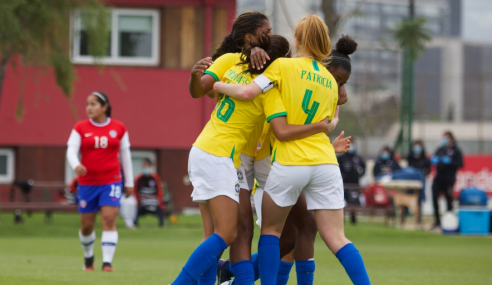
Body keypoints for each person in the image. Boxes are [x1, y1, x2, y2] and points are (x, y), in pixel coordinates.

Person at [214, 15, 370, 285]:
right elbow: (330, 123)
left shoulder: (283, 67)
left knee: (272, 232)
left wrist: (216, 85)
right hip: (325, 164)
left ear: (297, 40)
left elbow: (250, 92)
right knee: (336, 237)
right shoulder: (330, 80)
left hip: (291, 162)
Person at [172, 28, 335, 285]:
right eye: (265, 30)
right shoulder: (267, 88)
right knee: (231, 232)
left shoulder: (234, 65)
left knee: (225, 233)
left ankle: (231, 278)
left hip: (218, 152)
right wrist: (322, 126)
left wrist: (217, 84)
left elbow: (214, 90)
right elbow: (279, 124)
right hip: (228, 156)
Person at [66, 91, 134, 272]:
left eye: (93, 104)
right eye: (87, 104)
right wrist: (76, 164)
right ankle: (88, 258)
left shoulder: (119, 127)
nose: (89, 108)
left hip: (111, 181)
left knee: (109, 219)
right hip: (87, 183)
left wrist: (129, 182)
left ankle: (107, 263)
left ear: (105, 107)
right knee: (87, 225)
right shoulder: (80, 127)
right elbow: (71, 150)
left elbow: (126, 155)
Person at [430, 131, 463, 230]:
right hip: (438, 178)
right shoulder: (440, 149)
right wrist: (434, 160)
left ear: (451, 139)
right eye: (443, 138)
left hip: (449, 179)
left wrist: (450, 162)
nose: (444, 140)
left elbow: (460, 164)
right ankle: (437, 221)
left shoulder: (456, 150)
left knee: (449, 200)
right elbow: (433, 159)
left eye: (446, 138)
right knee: (434, 197)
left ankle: (449, 222)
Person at [338, 137, 366, 224]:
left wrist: (360, 174)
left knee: (353, 202)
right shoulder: (341, 158)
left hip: (355, 184)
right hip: (344, 184)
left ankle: (353, 220)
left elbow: (363, 169)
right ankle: (341, 220)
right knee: (342, 203)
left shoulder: (358, 158)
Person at [134, 158, 165, 227]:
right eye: (144, 166)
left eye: (147, 166)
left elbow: (159, 191)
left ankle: (161, 224)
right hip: (143, 201)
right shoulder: (139, 178)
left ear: (150, 167)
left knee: (159, 211)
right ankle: (134, 223)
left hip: (153, 201)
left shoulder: (155, 177)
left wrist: (159, 202)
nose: (145, 168)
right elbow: (135, 191)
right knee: (138, 212)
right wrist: (138, 202)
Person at [406, 140, 430, 224]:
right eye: (415, 146)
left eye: (418, 146)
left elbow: (428, 169)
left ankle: (418, 218)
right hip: (410, 181)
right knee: (407, 196)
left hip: (420, 181)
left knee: (419, 198)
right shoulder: (410, 157)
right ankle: (405, 216)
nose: (417, 149)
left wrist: (424, 173)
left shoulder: (425, 159)